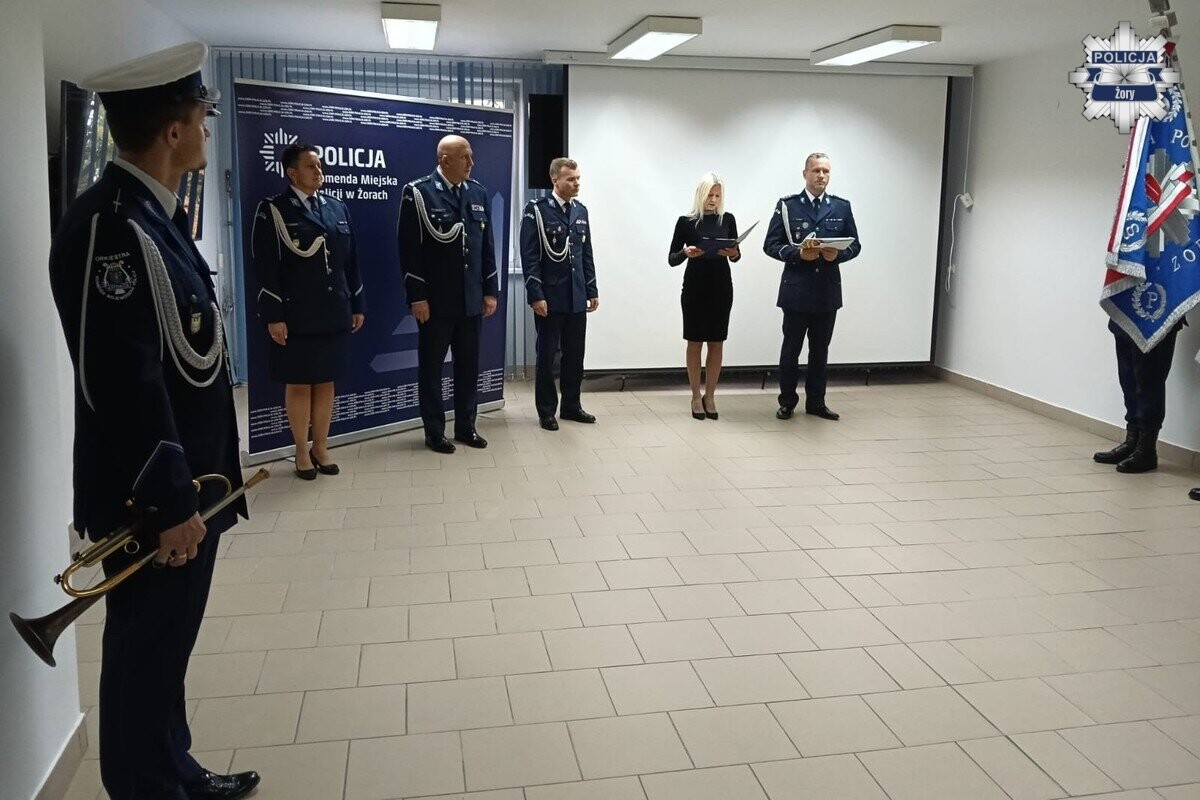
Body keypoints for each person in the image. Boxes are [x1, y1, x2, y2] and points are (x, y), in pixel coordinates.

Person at [47, 43, 258, 799]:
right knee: (144, 657)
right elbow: (121, 382)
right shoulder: (112, 226)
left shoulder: (151, 215)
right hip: (157, 502)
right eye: (202, 114)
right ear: (174, 131)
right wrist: (170, 504)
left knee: (166, 654)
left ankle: (177, 773)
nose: (207, 126)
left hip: (189, 490)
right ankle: (147, 786)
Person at [252, 143, 365, 479]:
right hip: (296, 314)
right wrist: (274, 315)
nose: (318, 172)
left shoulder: (336, 207)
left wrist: (357, 303)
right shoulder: (273, 210)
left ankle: (321, 447)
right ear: (292, 173)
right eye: (310, 166)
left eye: (319, 166)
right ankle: (301, 450)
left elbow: (351, 262)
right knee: (300, 383)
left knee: (326, 382)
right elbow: (266, 267)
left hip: (333, 310)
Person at [398, 135, 499, 452]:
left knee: (468, 367)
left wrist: (490, 290)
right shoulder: (418, 193)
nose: (471, 163)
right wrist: (417, 296)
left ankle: (466, 427)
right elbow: (409, 250)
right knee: (431, 369)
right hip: (436, 301)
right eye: (465, 157)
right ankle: (434, 431)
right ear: (445, 160)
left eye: (470, 156)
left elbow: (486, 248)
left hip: (470, 299)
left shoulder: (478, 192)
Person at [763, 152, 861, 421]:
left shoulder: (841, 207)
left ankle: (816, 402)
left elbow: (855, 245)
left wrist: (837, 255)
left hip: (826, 291)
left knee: (820, 351)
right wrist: (798, 254)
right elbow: (770, 245)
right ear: (805, 174)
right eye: (816, 170)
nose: (821, 176)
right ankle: (787, 402)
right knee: (791, 350)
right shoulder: (788, 206)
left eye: (826, 171)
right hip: (797, 289)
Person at [519, 157, 599, 430]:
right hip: (550, 298)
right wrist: (536, 295)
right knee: (547, 357)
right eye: (571, 179)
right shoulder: (537, 210)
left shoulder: (580, 211)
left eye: (578, 179)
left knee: (575, 355)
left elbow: (586, 254)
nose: (577, 183)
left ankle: (571, 406)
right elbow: (529, 256)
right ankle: (546, 411)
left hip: (576, 296)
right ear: (555, 180)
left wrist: (591, 288)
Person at [668, 172, 740, 420]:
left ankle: (710, 396)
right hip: (695, 288)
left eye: (718, 195)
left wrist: (733, 252)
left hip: (721, 287)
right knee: (695, 341)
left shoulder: (728, 219)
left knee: (717, 342)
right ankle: (695, 396)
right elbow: (672, 259)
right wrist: (686, 252)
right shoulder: (686, 222)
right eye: (710, 195)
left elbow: (736, 255)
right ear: (701, 194)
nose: (714, 200)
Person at [1092, 318, 1184, 473]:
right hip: (1125, 313)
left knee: (1149, 381)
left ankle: (1146, 449)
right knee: (1128, 380)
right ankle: (1132, 442)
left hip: (1158, 316)